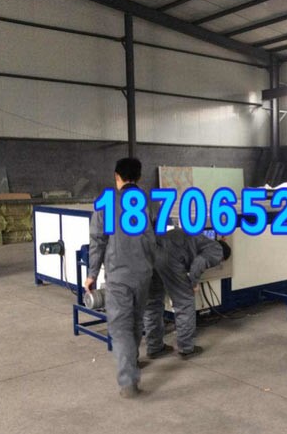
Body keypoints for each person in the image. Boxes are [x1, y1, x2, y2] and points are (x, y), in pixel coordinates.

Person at [84, 157, 157, 399]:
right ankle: (132, 362)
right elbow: (153, 239)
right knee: (136, 321)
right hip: (143, 274)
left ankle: (129, 382)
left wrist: (91, 274)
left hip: (119, 275)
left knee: (120, 326)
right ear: (139, 177)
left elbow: (97, 242)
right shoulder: (149, 203)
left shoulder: (106, 203)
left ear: (117, 177)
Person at [144, 229, 231, 360]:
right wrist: (194, 283)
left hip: (150, 253)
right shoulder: (217, 250)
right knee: (184, 303)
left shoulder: (202, 240)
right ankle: (186, 348)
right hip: (170, 258)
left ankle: (154, 347)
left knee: (153, 302)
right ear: (223, 257)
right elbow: (199, 263)